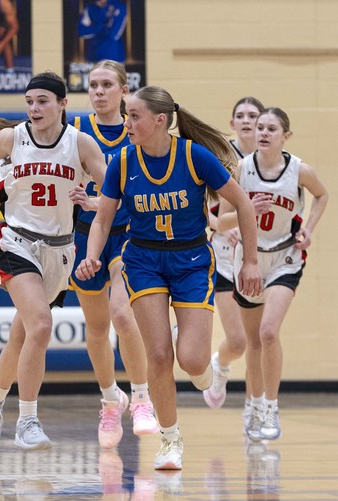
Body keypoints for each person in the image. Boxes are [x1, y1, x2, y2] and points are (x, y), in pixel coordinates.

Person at [75, 85, 263, 470]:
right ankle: (170, 439)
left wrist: (250, 262)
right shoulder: (123, 162)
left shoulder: (194, 156)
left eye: (134, 116)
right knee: (159, 356)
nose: (127, 123)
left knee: (192, 361)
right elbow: (103, 220)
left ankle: (197, 357)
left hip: (191, 260)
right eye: (127, 116)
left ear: (160, 120)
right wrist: (92, 256)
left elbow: (243, 204)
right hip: (143, 260)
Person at [0, 72, 107, 450]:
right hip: (17, 242)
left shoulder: (80, 144)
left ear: (62, 104)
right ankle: (28, 420)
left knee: (23, 336)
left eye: (42, 101)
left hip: (60, 251)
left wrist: (92, 202)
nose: (34, 108)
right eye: (29, 102)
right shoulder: (12, 138)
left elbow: (114, 195)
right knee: (41, 325)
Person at [218, 108, 328, 442]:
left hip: (285, 257)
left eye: (271, 128)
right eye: (260, 128)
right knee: (253, 341)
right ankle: (253, 405)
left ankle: (270, 407)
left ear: (286, 136)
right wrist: (243, 215)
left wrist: (308, 228)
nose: (263, 133)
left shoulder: (299, 170)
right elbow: (222, 220)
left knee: (268, 333)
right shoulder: (241, 169)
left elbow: (322, 195)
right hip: (249, 259)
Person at [68, 60, 158, 448]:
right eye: (93, 85)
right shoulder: (74, 130)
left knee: (123, 314)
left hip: (128, 234)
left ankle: (141, 398)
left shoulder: (136, 130)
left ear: (124, 91)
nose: (99, 91)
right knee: (96, 327)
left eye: (107, 84)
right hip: (84, 235)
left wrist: (100, 203)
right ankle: (109, 400)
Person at [201, 97, 265, 418]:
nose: (247, 120)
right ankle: (221, 365)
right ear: (232, 124)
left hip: (259, 256)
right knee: (237, 342)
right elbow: (203, 208)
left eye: (253, 115)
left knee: (258, 340)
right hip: (226, 256)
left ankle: (255, 411)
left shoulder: (273, 162)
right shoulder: (222, 158)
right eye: (240, 115)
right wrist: (221, 225)